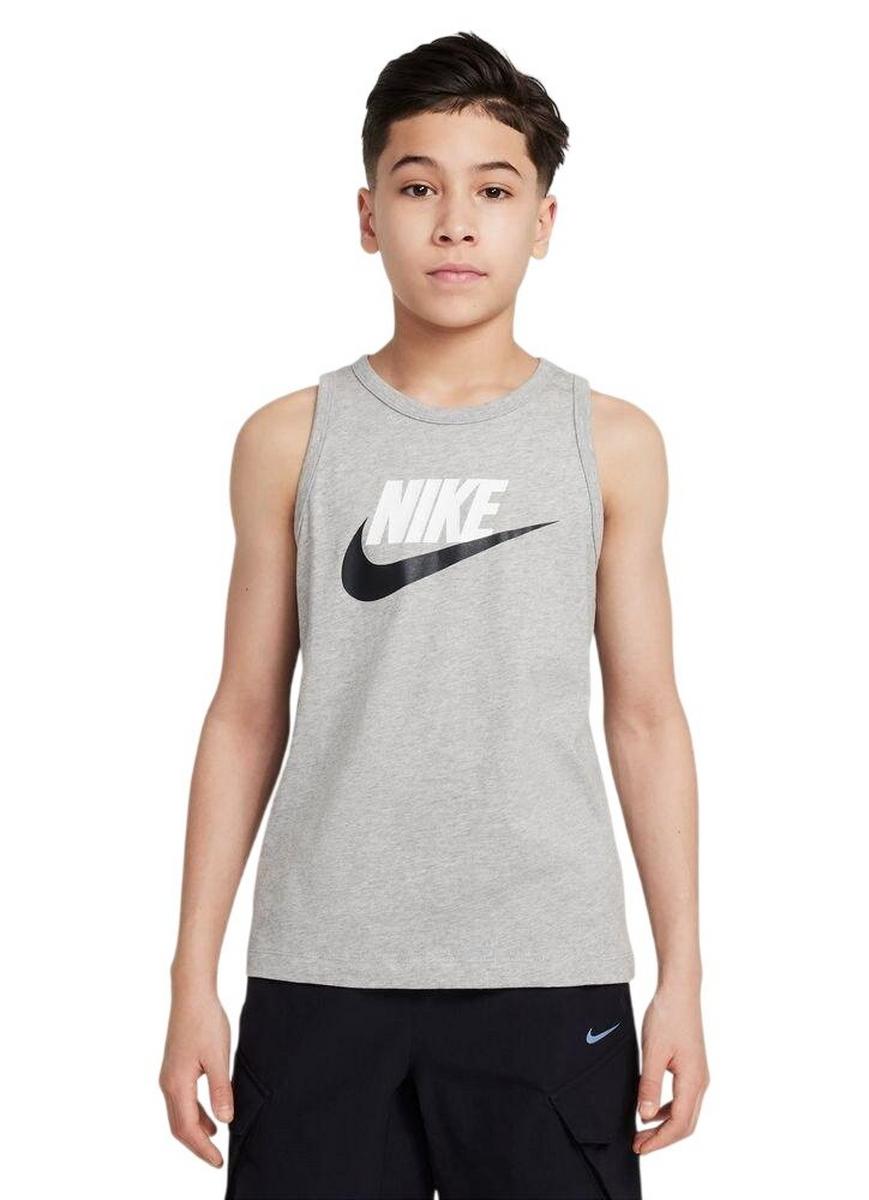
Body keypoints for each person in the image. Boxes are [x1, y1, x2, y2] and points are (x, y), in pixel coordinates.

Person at [159, 30, 708, 1200]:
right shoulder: (290, 440)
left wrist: (684, 980)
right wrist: (190, 978)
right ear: (369, 217)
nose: (456, 223)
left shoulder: (608, 443)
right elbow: (244, 715)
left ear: (543, 222)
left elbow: (647, 719)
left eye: (493, 192)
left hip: (549, 972)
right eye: (419, 189)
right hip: (322, 971)